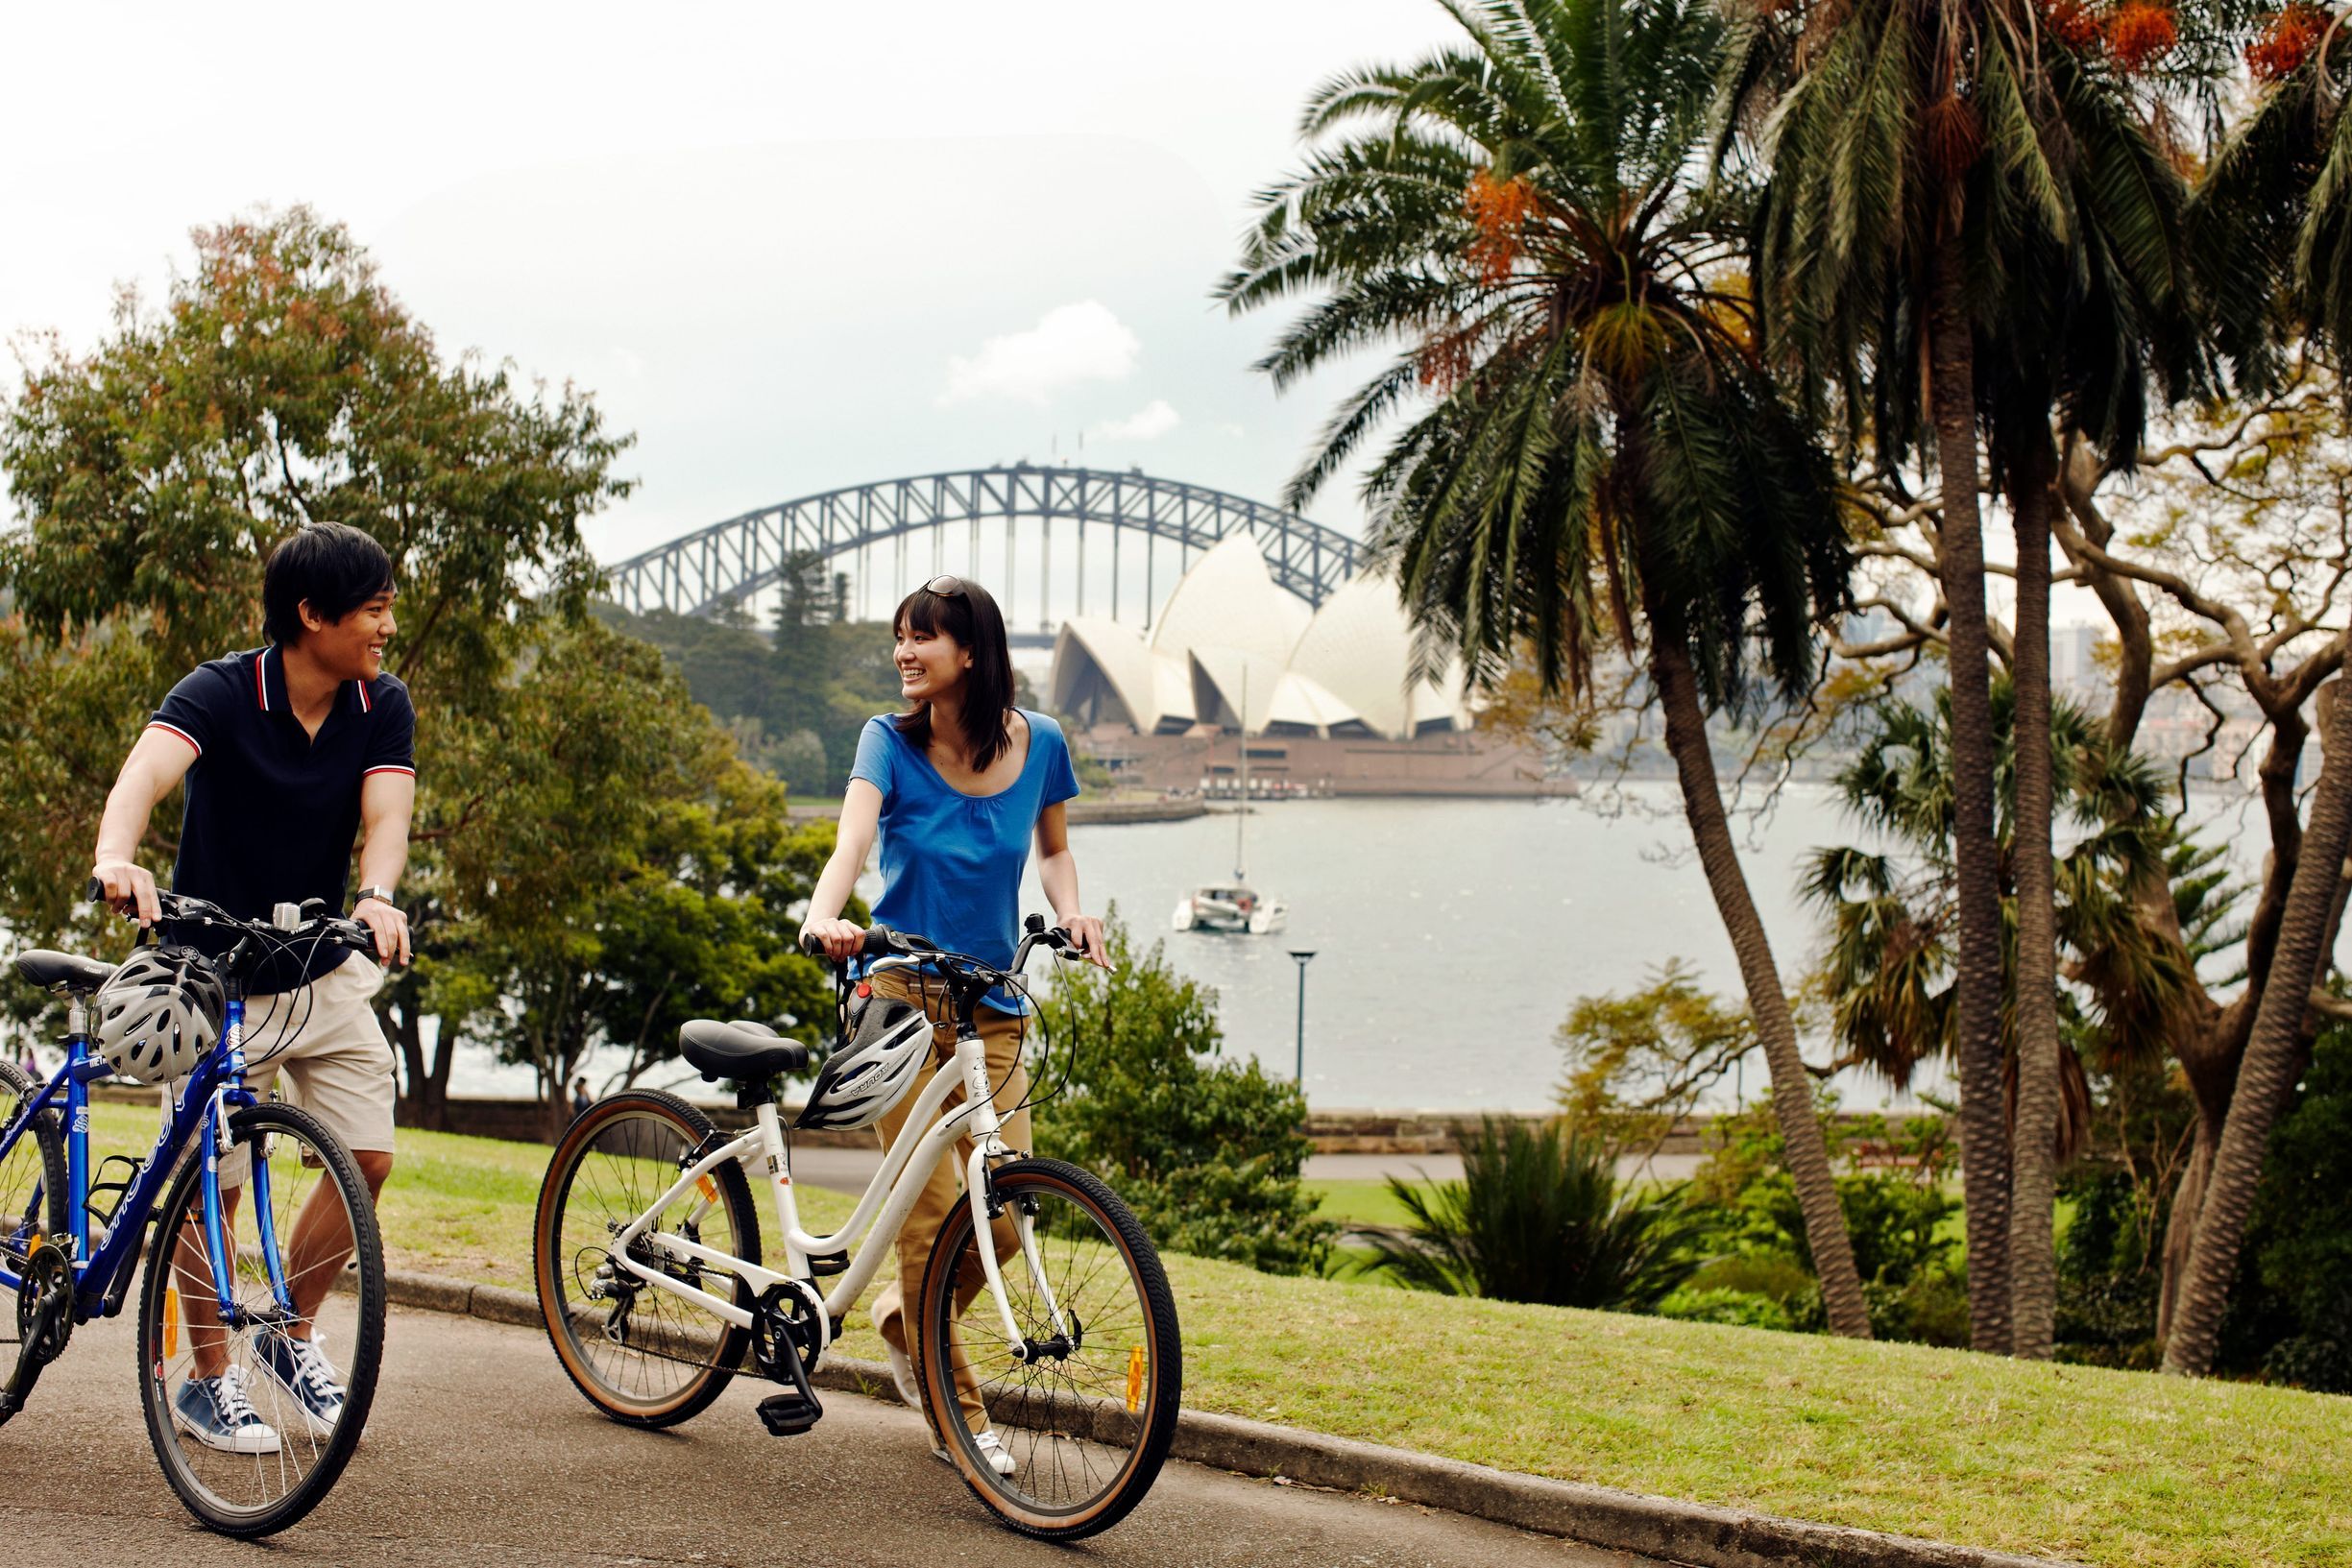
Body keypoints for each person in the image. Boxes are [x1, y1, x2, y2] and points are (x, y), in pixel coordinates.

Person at [90, 521, 415, 1456]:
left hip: (318, 964)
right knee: (214, 1186)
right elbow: (144, 774)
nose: (385, 627)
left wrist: (378, 896)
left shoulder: (378, 702)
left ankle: (286, 1329)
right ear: (312, 615)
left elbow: (385, 815)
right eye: (374, 609)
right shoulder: (222, 690)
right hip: (211, 974)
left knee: (368, 1156)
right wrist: (118, 857)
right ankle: (206, 1382)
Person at [800, 574, 1108, 1478]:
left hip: (993, 1005)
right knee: (932, 1220)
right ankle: (958, 1413)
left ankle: (905, 1323)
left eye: (922, 637)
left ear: (970, 651)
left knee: (1004, 1215)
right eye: (898, 636)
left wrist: (1074, 911)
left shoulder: (1041, 741)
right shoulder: (885, 741)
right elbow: (850, 841)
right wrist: (827, 915)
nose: (903, 652)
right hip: (900, 998)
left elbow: (1052, 848)